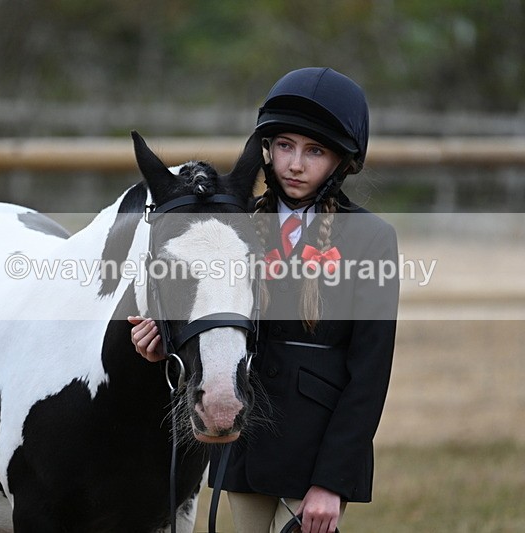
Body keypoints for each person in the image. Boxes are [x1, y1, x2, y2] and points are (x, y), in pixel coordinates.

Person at [129, 67, 398, 533]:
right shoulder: (234, 227)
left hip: (316, 457)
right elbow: (210, 326)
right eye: (285, 146)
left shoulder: (371, 240)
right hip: (246, 445)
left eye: (314, 151)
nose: (295, 164)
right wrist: (162, 343)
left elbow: (370, 375)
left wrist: (332, 482)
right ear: (267, 150)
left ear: (342, 161)